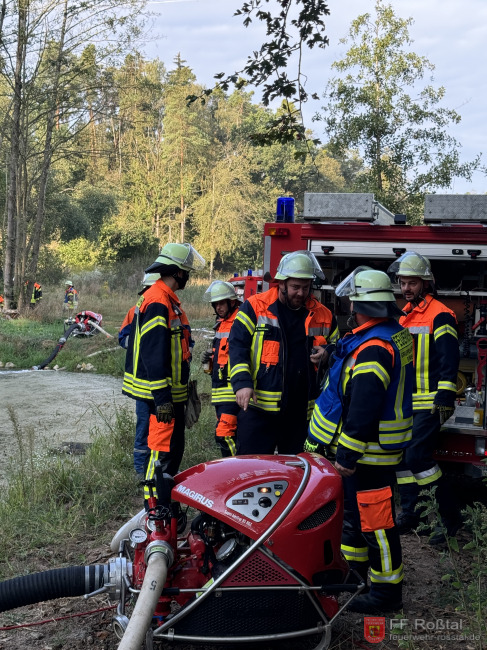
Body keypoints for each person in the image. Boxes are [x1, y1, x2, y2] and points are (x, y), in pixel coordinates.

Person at [305, 267, 414, 614]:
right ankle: (354, 577)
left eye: (353, 302)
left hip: (369, 454)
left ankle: (385, 593)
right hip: (376, 450)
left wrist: (347, 454)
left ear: (361, 306)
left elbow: (364, 404)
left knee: (377, 524)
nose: (350, 308)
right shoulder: (391, 334)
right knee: (356, 518)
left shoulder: (374, 349)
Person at [229, 250, 339, 455]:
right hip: (259, 409)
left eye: (305, 287)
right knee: (253, 467)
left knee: (297, 469)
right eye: (295, 287)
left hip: (301, 413)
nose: (301, 293)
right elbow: (237, 347)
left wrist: (327, 353)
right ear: (281, 283)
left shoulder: (324, 315)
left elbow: (338, 348)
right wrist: (242, 383)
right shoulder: (255, 307)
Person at [388, 251, 461, 543]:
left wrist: (445, 396)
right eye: (403, 283)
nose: (406, 288)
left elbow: (449, 358)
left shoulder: (441, 314)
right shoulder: (404, 315)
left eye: (413, 283)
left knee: (417, 457)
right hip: (405, 402)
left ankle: (449, 518)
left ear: (425, 283)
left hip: (430, 402)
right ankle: (412, 513)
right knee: (403, 460)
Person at [122, 243, 205, 496]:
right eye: (186, 272)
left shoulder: (164, 299)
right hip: (160, 396)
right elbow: (153, 353)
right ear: (177, 272)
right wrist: (162, 399)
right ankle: (155, 507)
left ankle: (163, 503)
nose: (188, 277)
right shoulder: (158, 300)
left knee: (171, 453)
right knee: (161, 456)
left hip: (169, 394)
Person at [119, 272, 160, 481]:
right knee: (143, 425)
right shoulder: (134, 311)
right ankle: (140, 470)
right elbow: (122, 337)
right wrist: (140, 346)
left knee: (160, 428)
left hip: (164, 383)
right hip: (143, 383)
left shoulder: (172, 311)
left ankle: (158, 468)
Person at [202, 280, 241, 457]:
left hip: (232, 392)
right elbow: (222, 360)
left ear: (231, 302)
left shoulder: (239, 322)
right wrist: (210, 360)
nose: (218, 307)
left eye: (221, 303)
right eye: (215, 304)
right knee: (230, 435)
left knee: (224, 435)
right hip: (220, 392)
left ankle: (236, 468)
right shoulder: (221, 323)